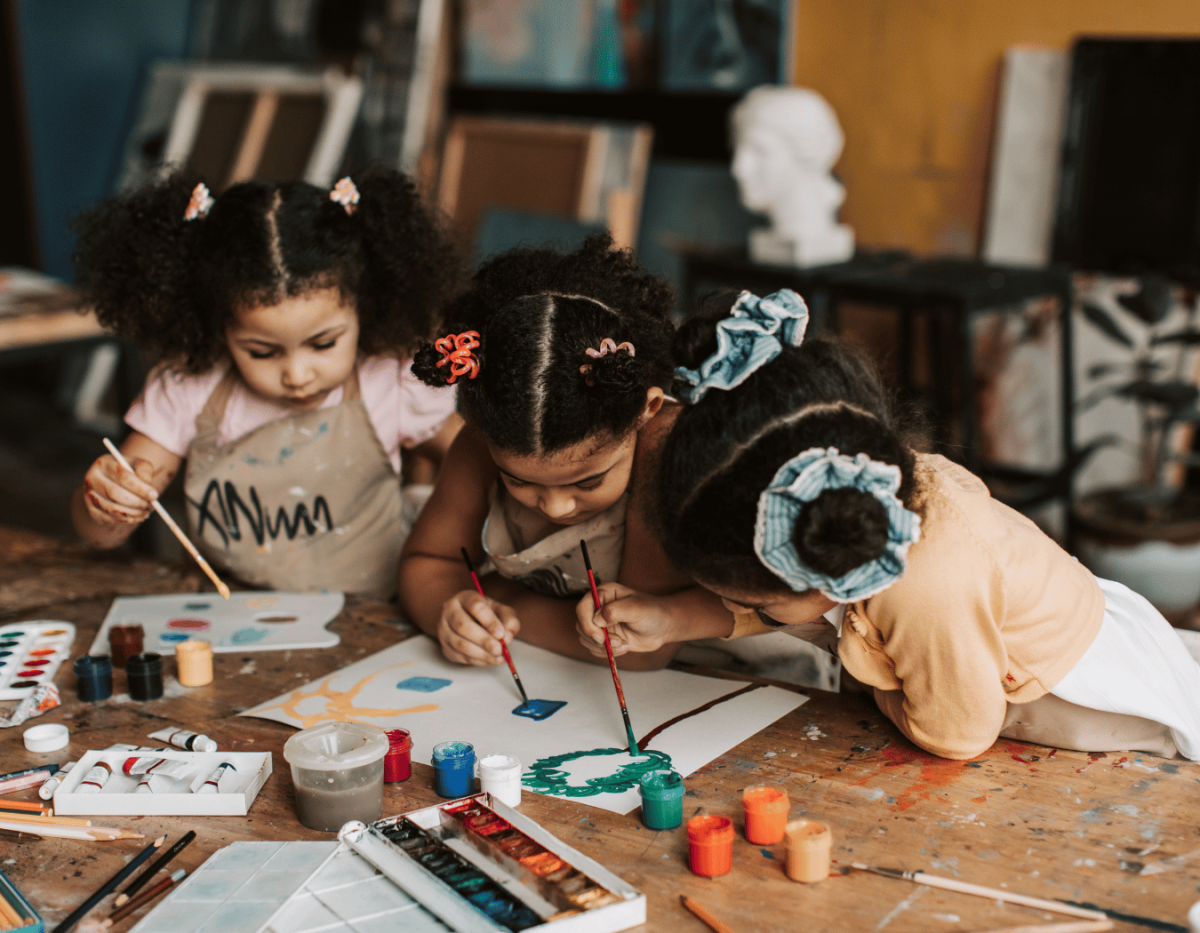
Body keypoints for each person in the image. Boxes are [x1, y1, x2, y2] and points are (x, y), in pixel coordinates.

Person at [579, 288, 1200, 760]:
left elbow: (959, 732)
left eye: (749, 599)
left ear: (826, 570)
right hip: (970, 671)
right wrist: (669, 620)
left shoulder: (926, 585)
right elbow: (783, 605)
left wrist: (871, 684)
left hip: (1075, 711)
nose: (734, 606)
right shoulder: (857, 485)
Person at [71, 168, 462, 599]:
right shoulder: (189, 389)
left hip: (374, 616)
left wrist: (442, 522)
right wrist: (108, 506)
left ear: (365, 310)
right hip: (230, 618)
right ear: (218, 328)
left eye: (324, 343)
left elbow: (473, 458)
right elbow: (98, 538)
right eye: (262, 351)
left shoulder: (387, 378)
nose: (297, 374)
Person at [398, 234, 732, 668]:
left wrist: (502, 596)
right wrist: (450, 611)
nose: (556, 507)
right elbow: (426, 562)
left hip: (709, 672)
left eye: (588, 480)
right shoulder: (484, 444)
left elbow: (639, 654)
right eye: (517, 480)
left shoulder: (663, 453)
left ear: (647, 409)